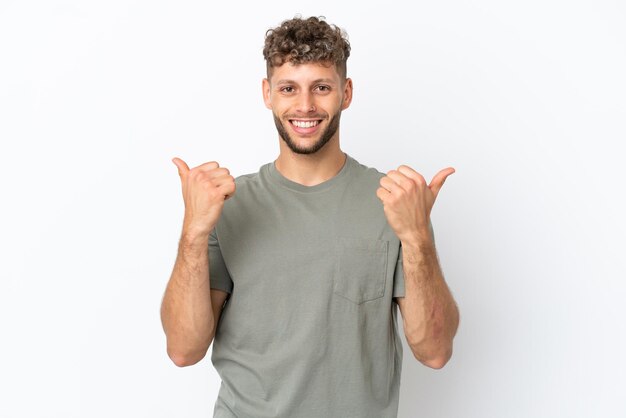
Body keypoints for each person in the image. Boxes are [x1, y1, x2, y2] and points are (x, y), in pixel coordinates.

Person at [160, 16, 460, 418]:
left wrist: (418, 237)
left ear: (346, 92)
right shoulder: (228, 204)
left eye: (321, 87)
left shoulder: (392, 202)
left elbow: (435, 352)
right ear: (268, 94)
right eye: (288, 88)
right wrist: (193, 233)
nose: (305, 106)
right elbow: (183, 350)